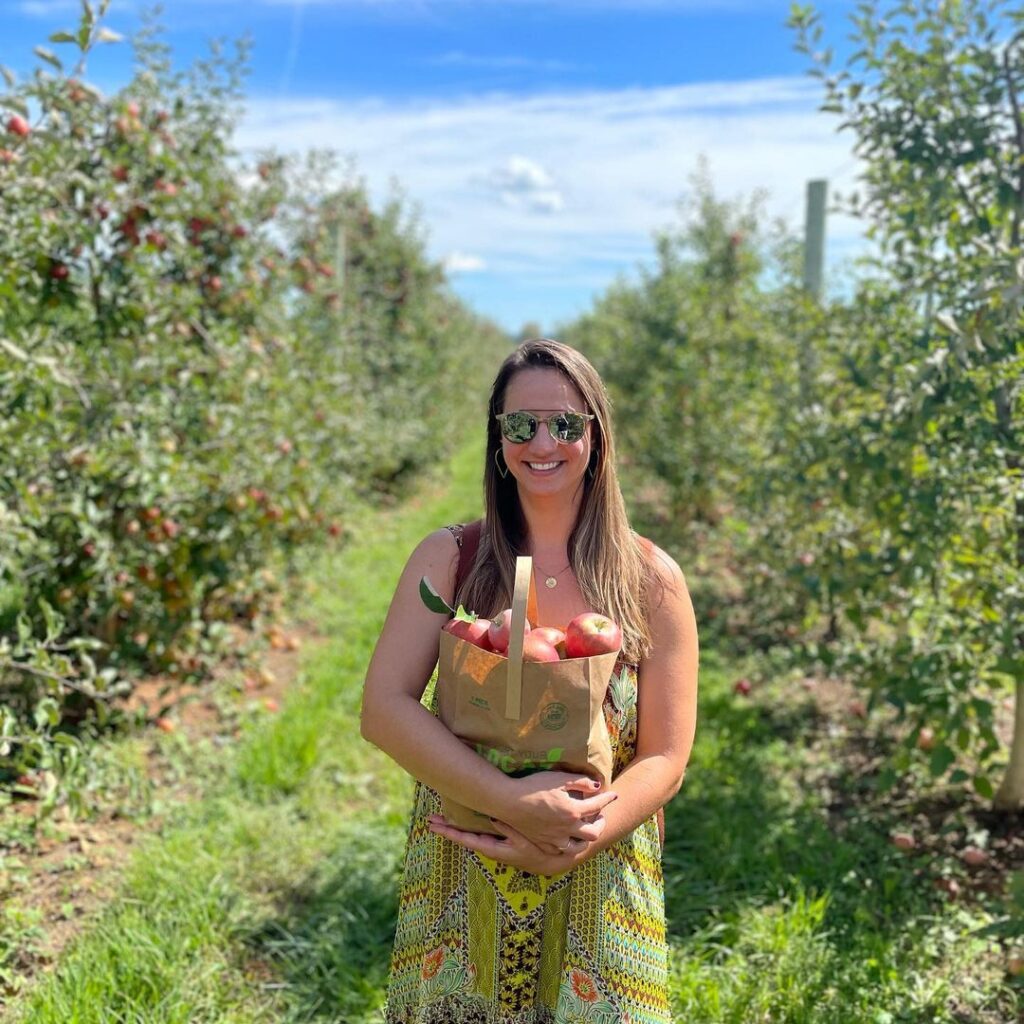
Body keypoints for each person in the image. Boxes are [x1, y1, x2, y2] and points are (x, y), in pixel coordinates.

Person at [361, 338, 698, 1023]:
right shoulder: (451, 560)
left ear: (597, 438)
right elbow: (383, 709)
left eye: (566, 424)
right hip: (465, 882)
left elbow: (666, 757)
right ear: (498, 438)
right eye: (522, 425)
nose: (543, 441)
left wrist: (575, 833)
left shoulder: (650, 581)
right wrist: (509, 806)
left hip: (597, 878)